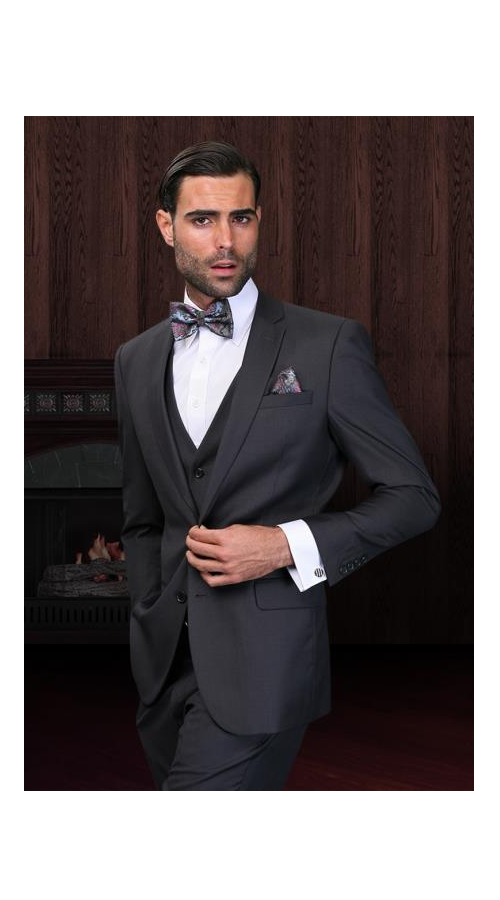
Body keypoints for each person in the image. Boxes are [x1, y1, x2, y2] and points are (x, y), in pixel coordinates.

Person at [114, 140, 441, 791]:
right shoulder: (136, 359)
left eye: (241, 217)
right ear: (166, 226)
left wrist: (285, 545)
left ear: (259, 219)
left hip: (265, 663)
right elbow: (143, 517)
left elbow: (414, 497)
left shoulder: (327, 345)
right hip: (163, 666)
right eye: (203, 219)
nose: (225, 240)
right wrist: (149, 607)